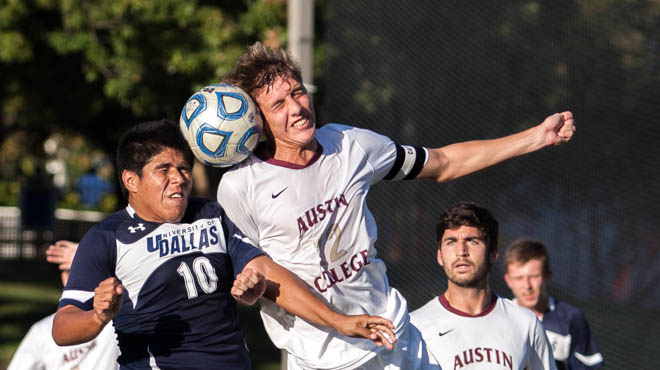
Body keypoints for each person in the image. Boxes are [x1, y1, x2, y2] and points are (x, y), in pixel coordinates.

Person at [216, 42, 576, 369]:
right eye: (278, 104)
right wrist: (254, 290)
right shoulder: (240, 186)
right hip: (322, 357)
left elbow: (444, 162)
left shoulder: (350, 144)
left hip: (394, 335)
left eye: (298, 93)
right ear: (256, 121)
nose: (296, 107)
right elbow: (259, 272)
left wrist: (535, 137)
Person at [52, 119, 395, 370]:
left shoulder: (212, 213)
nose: (179, 179)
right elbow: (62, 327)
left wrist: (338, 321)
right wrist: (97, 316)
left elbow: (265, 271)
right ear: (131, 180)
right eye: (164, 170)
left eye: (184, 168)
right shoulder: (106, 237)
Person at [409, 201, 556, 369]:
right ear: (440, 256)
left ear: (493, 253)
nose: (461, 251)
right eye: (451, 242)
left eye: (472, 241)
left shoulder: (525, 323)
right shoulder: (415, 327)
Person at [8, 242, 120, 370]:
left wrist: (91, 256)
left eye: (87, 273)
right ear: (64, 278)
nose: (82, 281)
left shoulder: (115, 316)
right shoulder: (42, 330)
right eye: (74, 275)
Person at [504, 239, 604, 370]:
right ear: (508, 280)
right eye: (519, 278)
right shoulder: (499, 318)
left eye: (534, 276)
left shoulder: (572, 318)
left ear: (548, 276)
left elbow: (590, 367)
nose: (527, 286)